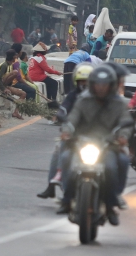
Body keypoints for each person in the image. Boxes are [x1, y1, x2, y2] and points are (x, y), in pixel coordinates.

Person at [58, 65, 132, 225]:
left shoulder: (119, 104)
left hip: (108, 145)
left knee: (116, 166)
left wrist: (123, 137)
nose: (101, 88)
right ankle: (66, 200)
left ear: (111, 85)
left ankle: (112, 203)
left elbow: (125, 123)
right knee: (66, 159)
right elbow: (72, 119)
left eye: (104, 84)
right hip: (82, 143)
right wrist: (66, 131)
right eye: (98, 84)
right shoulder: (83, 100)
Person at [37, 64, 94, 200]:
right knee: (59, 152)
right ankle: (52, 184)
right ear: (77, 81)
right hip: (75, 134)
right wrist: (60, 115)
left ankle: (112, 193)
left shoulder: (99, 97)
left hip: (96, 135)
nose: (84, 84)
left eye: (87, 81)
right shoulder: (72, 95)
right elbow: (64, 108)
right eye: (81, 81)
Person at [0, 49, 26, 119]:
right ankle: (4, 88)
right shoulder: (4, 65)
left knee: (23, 94)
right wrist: (4, 89)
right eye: (15, 57)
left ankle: (16, 112)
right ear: (13, 57)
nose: (16, 58)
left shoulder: (10, 65)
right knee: (15, 72)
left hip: (6, 85)